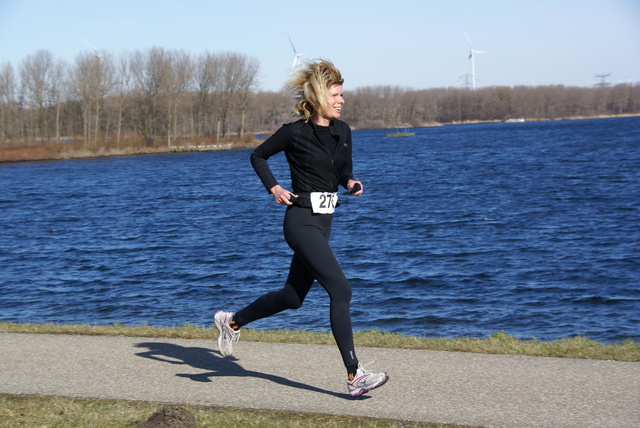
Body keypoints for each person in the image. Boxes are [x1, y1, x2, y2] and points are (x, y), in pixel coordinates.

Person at [214, 59, 388, 397]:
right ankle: (355, 376)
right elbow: (258, 155)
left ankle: (231, 321)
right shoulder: (295, 132)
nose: (341, 101)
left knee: (293, 298)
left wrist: (351, 182)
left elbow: (341, 173)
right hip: (300, 221)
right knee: (341, 290)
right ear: (319, 96)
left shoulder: (343, 131)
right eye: (336, 95)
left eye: (342, 95)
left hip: (325, 221)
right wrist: (274, 188)